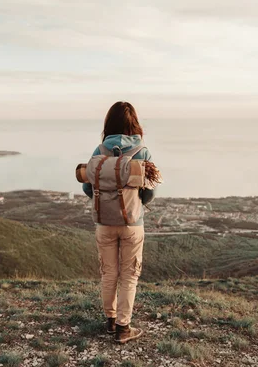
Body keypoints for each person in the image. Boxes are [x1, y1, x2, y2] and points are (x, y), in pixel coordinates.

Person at [83, 101, 155, 344]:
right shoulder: (142, 152)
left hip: (104, 222)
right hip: (132, 223)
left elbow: (87, 186)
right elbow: (150, 191)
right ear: (134, 123)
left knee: (108, 272)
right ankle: (124, 328)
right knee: (129, 274)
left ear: (108, 124)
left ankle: (110, 321)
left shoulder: (99, 150)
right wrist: (136, 202)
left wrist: (105, 201)